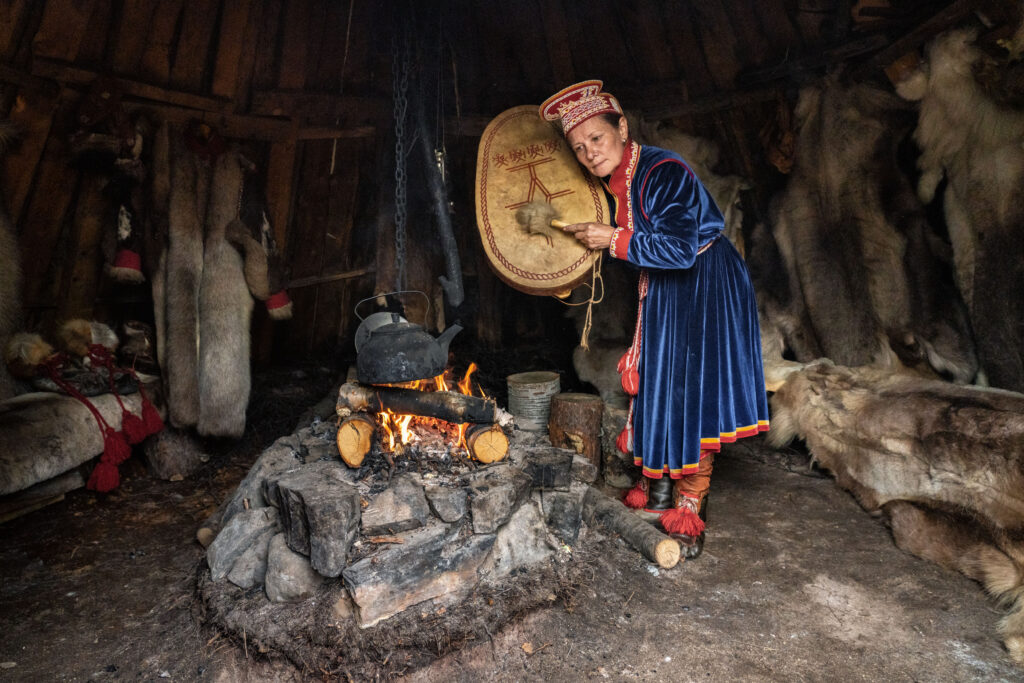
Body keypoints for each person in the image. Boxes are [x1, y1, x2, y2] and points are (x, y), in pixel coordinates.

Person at [539, 81, 769, 559]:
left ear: (622, 129)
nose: (589, 154)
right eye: (579, 148)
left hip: (704, 281)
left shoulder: (663, 171)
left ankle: (690, 503)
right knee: (661, 380)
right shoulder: (613, 181)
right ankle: (658, 487)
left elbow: (682, 249)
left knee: (694, 386)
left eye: (597, 140)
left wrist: (614, 239)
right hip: (667, 285)